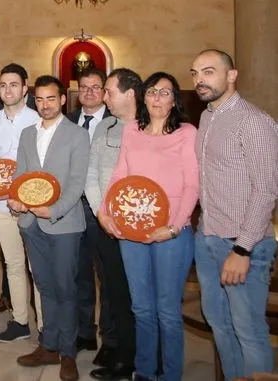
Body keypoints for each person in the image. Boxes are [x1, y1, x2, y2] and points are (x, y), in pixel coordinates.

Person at [101, 72, 198, 381]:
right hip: (133, 231)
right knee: (141, 308)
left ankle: (170, 375)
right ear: (144, 97)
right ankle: (144, 372)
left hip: (171, 233)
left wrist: (173, 227)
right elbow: (119, 176)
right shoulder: (132, 131)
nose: (157, 98)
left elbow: (192, 185)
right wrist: (106, 213)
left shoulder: (187, 133)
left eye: (165, 92)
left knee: (167, 312)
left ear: (174, 100)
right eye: (153, 91)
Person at [190, 49, 278, 381]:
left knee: (249, 329)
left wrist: (242, 250)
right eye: (195, 73)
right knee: (220, 326)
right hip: (208, 238)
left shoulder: (254, 121)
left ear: (231, 75)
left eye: (209, 72)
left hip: (243, 245)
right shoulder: (207, 116)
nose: (200, 80)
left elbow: (267, 190)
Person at [9, 75, 90, 381]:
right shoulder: (28, 134)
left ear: (63, 100)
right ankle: (49, 345)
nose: (44, 105)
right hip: (31, 223)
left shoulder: (77, 135)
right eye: (40, 99)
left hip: (64, 224)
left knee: (65, 289)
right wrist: (15, 199)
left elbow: (76, 183)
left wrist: (53, 210)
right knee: (43, 287)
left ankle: (68, 353)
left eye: (51, 99)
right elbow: (21, 174)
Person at [85, 68, 142, 380]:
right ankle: (120, 352)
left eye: (108, 91)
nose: (104, 97)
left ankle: (140, 357)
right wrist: (101, 213)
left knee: (140, 298)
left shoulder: (150, 128)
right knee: (114, 293)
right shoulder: (105, 126)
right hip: (107, 225)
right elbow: (91, 174)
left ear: (130, 94)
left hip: (140, 229)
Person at [0, 63, 43, 343]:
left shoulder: (37, 119)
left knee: (36, 267)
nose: (8, 90)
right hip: (0, 204)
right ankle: (20, 321)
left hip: (31, 205)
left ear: (25, 89)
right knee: (13, 264)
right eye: (3, 85)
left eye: (14, 84)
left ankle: (45, 325)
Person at [67, 68, 112, 356]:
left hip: (105, 211)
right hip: (74, 208)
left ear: (105, 91)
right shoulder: (69, 121)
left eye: (96, 87)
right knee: (80, 273)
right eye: (84, 87)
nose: (90, 91)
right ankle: (84, 332)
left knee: (107, 277)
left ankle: (110, 338)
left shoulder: (118, 122)